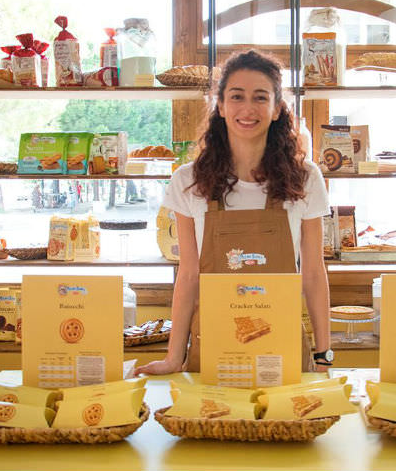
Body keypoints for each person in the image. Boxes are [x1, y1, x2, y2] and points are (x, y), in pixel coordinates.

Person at [134, 50, 332, 375]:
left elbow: (313, 273)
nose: (248, 109)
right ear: (221, 106)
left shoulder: (306, 178)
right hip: (213, 348)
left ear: (277, 108)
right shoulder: (188, 180)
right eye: (236, 96)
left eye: (260, 97)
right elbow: (188, 275)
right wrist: (173, 358)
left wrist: (324, 355)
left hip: (282, 350)